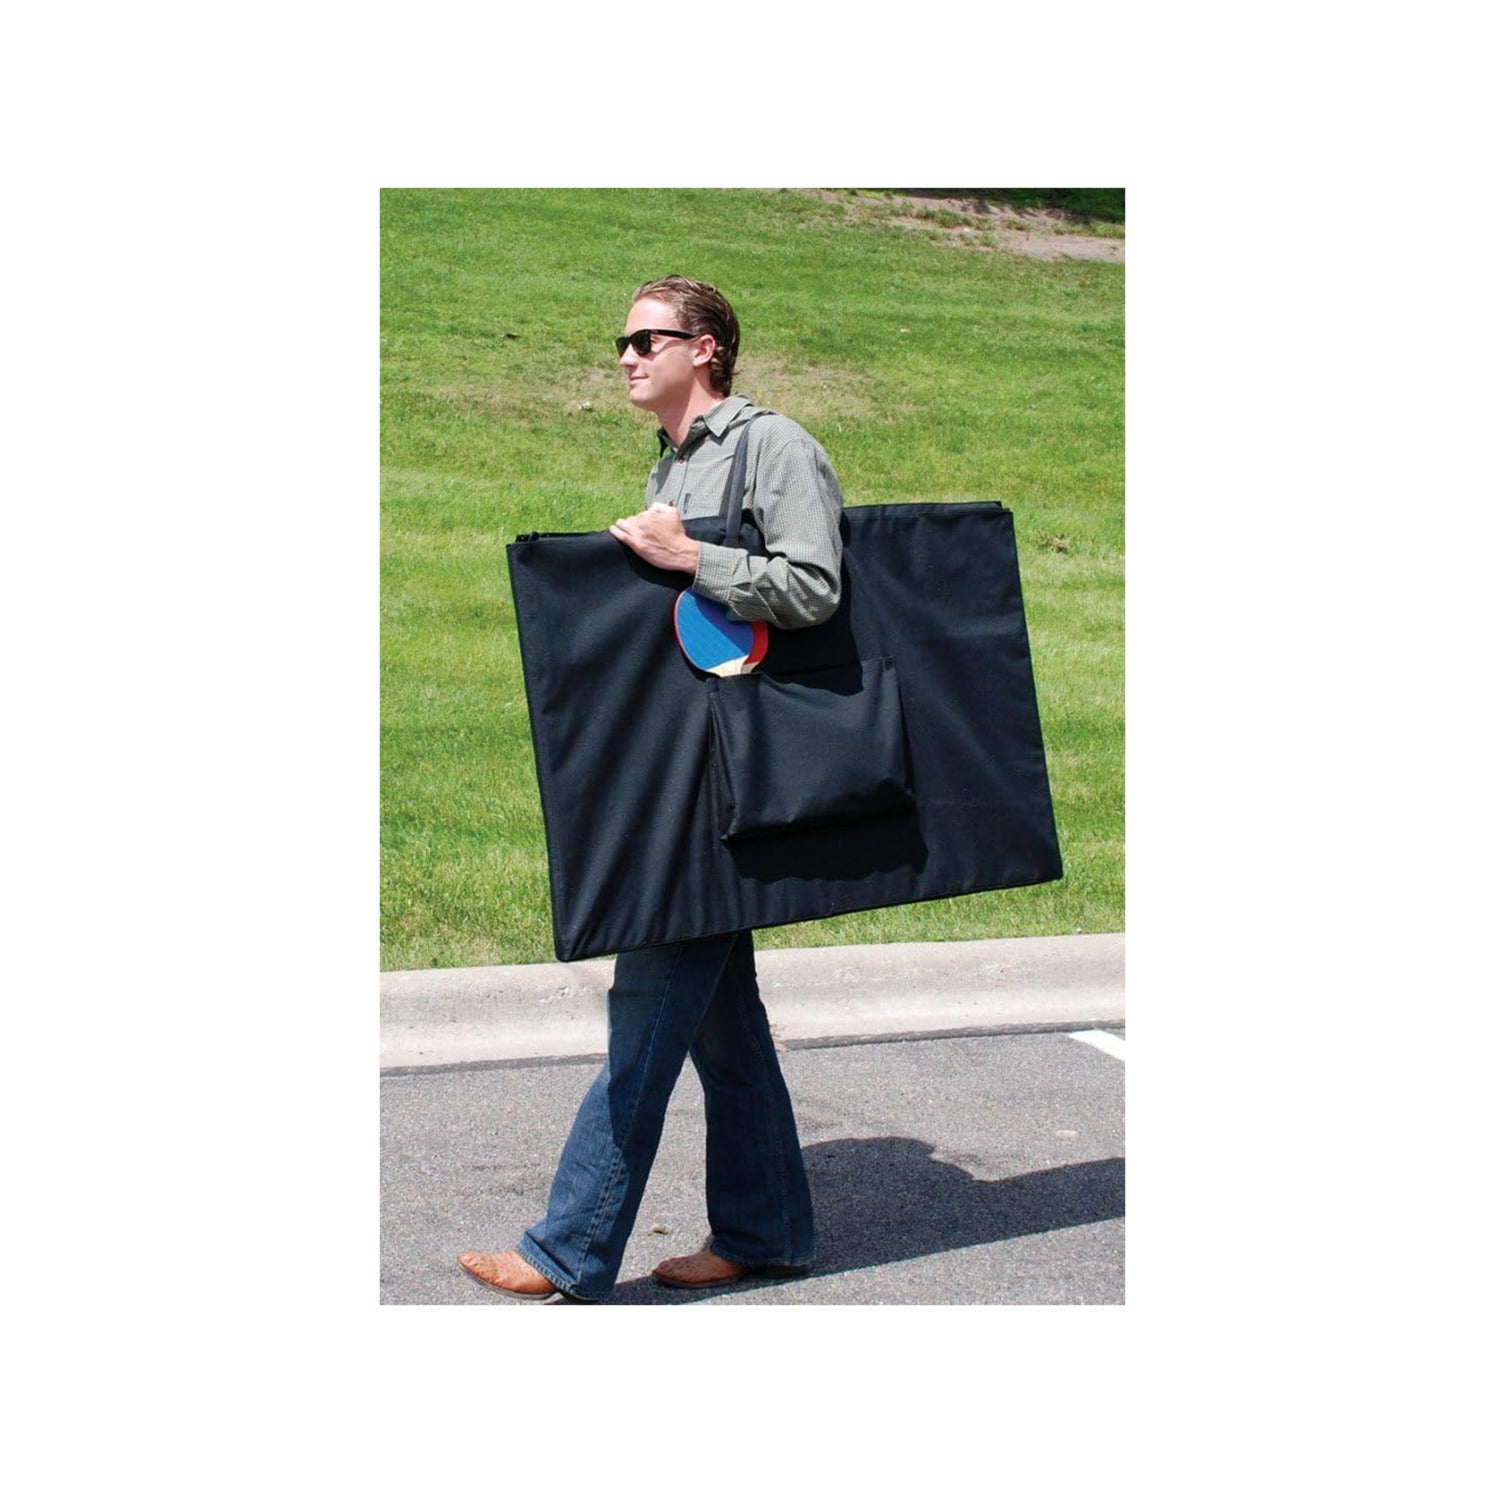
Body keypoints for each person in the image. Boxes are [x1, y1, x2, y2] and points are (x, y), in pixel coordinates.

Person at [457, 275, 846, 1303]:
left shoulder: (775, 447)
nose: (627, 357)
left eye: (646, 339)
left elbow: (816, 585)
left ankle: (570, 1249)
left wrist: (691, 554)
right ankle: (766, 1231)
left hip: (742, 769)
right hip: (692, 759)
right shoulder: (675, 459)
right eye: (622, 343)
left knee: (648, 1003)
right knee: (725, 1022)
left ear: (704, 347)